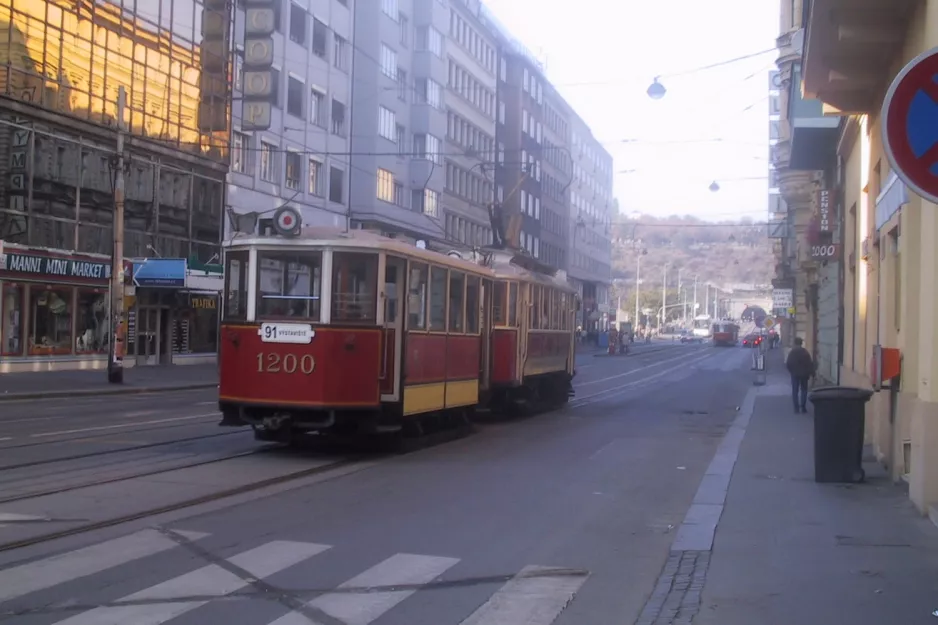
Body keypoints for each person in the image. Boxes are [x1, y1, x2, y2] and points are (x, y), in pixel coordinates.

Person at [785, 337, 816, 413]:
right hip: (804, 375)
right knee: (804, 390)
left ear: (795, 343)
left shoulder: (792, 353)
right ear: (801, 343)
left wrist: (791, 371)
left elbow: (788, 364)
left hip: (795, 374)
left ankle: (796, 408)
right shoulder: (805, 352)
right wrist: (813, 374)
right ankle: (803, 407)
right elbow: (809, 364)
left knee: (795, 391)